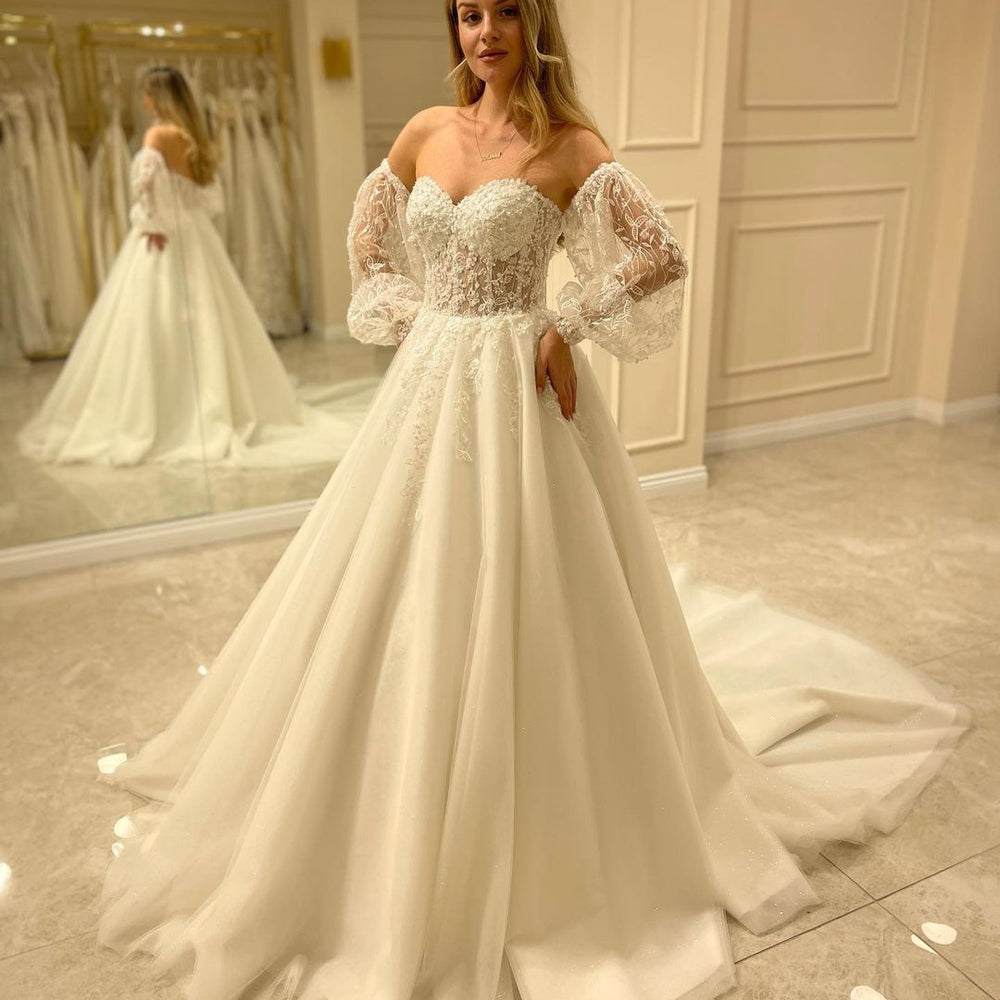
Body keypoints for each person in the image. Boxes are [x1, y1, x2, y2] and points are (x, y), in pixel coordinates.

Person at [94, 5, 971, 999]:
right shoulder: (427, 130)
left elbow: (658, 251)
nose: (486, 31)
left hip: (521, 389)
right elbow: (371, 243)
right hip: (429, 386)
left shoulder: (569, 143)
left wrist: (565, 320)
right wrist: (415, 314)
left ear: (533, 20)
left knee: (534, 593)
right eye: (468, 12)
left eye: (505, 9)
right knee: (391, 590)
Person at [17, 65, 378, 468]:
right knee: (207, 320)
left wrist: (151, 224)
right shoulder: (191, 137)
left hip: (163, 238)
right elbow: (210, 200)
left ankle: (166, 411)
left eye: (146, 94)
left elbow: (145, 187)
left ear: (157, 97)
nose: (143, 101)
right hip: (196, 236)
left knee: (156, 323)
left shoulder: (157, 135)